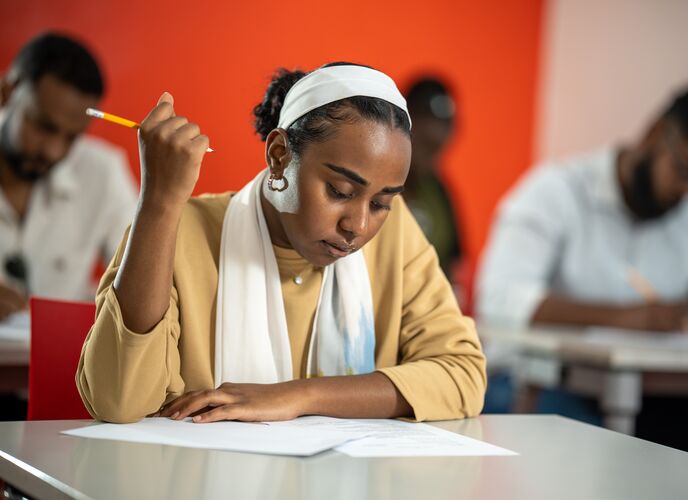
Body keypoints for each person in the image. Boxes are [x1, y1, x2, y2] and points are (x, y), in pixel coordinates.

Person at [76, 63, 486, 424]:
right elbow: (118, 400)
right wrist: (159, 203)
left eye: (381, 202)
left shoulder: (395, 235)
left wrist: (297, 396)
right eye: (341, 190)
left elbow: (463, 375)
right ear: (278, 156)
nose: (358, 225)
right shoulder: (179, 230)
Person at [476, 87, 688, 332]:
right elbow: (500, 299)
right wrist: (630, 319)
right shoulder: (557, 190)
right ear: (657, 134)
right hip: (550, 379)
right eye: (685, 170)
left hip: (664, 383)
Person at [0, 32, 137, 318]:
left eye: (72, 137)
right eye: (43, 126)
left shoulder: (104, 173)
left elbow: (143, 277)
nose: (53, 151)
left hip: (62, 363)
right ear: (7, 92)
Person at [401, 78, 462, 282]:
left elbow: (452, 268)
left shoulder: (440, 193)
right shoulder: (374, 185)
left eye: (437, 150)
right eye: (424, 145)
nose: (432, 159)